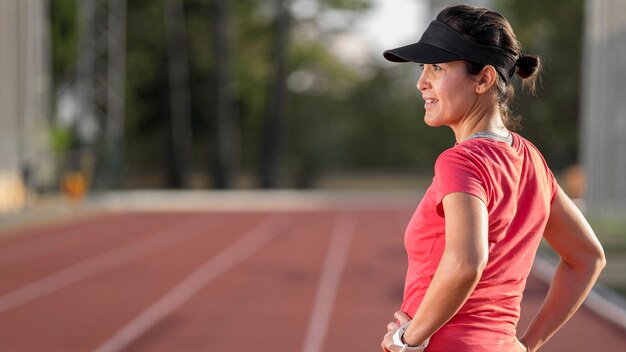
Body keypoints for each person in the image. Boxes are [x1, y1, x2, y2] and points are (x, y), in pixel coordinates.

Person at [379, 4, 606, 352]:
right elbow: (588, 257)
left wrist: (407, 339)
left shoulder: (461, 162)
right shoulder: (530, 158)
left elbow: (467, 262)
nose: (421, 81)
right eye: (423, 68)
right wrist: (529, 345)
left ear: (484, 78)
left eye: (437, 67)